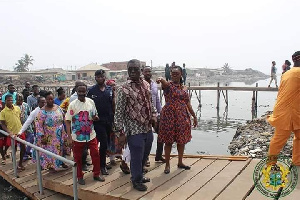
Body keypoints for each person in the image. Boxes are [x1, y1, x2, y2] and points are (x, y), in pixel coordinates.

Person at [114, 59, 157, 191]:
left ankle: (140, 173)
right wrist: (120, 133)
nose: (133, 72)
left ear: (141, 70)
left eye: (135, 69)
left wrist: (155, 117)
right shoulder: (123, 89)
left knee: (146, 152)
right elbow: (118, 113)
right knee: (137, 155)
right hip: (134, 129)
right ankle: (136, 180)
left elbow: (151, 104)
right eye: (130, 69)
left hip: (147, 126)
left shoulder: (145, 84)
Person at [156, 65, 197, 174]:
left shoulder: (184, 89)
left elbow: (188, 104)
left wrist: (194, 116)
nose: (174, 75)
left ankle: (180, 162)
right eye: (172, 73)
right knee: (168, 142)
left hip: (182, 116)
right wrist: (160, 79)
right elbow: (163, 82)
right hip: (169, 116)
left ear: (181, 75)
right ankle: (167, 164)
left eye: (176, 73)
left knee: (181, 141)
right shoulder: (168, 86)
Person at [65, 84, 105, 185]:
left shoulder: (91, 102)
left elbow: (94, 115)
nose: (82, 94)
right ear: (76, 92)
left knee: (95, 154)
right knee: (77, 157)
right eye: (80, 92)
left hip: (91, 134)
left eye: (84, 92)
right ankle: (79, 176)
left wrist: (95, 117)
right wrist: (69, 137)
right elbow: (68, 121)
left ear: (86, 92)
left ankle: (96, 174)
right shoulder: (72, 104)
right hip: (77, 137)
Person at [267, 51, 300, 166]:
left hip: (286, 110)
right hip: (288, 112)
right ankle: (271, 164)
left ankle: (296, 161)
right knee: (279, 140)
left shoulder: (286, 74)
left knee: (280, 140)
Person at [32, 91, 70, 170]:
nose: (50, 101)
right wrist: (42, 137)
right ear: (45, 100)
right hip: (49, 134)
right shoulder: (42, 111)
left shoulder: (58, 107)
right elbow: (38, 125)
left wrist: (67, 130)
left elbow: (64, 118)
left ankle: (62, 162)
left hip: (60, 132)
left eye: (52, 99)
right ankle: (51, 165)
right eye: (48, 99)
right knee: (52, 151)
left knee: (61, 148)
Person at [87, 70, 115, 175]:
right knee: (102, 143)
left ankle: (101, 162)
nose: (99, 78)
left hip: (109, 120)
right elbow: (88, 106)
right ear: (95, 78)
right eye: (97, 77)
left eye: (101, 76)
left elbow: (112, 104)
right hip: (97, 122)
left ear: (104, 77)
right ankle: (101, 166)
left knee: (106, 143)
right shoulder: (91, 91)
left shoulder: (109, 89)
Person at [143, 66, 164, 163]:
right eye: (146, 71)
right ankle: (145, 158)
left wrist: (160, 112)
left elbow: (157, 99)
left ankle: (158, 155)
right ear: (142, 72)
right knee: (147, 138)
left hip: (155, 113)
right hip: (144, 115)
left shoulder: (154, 84)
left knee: (161, 133)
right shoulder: (140, 84)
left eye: (149, 71)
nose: (148, 73)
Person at [0, 95, 26, 169]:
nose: (10, 102)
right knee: (13, 149)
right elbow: (3, 124)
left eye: (11, 100)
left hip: (20, 131)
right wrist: (9, 132)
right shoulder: (3, 112)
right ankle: (14, 162)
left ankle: (20, 163)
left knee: (23, 147)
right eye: (8, 100)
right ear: (5, 101)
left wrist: (23, 129)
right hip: (12, 133)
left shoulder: (17, 108)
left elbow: (20, 118)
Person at [16, 93, 33, 160]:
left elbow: (29, 113)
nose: (20, 101)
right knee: (22, 141)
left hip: (28, 125)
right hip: (19, 126)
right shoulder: (14, 107)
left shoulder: (25, 105)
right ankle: (24, 155)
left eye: (22, 99)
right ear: (16, 99)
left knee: (31, 138)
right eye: (19, 100)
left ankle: (28, 151)